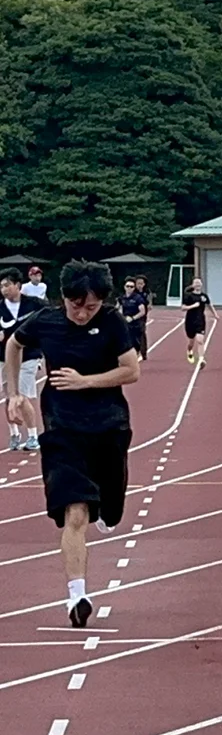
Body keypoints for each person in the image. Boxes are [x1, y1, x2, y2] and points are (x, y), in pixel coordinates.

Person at [5, 260, 139, 628]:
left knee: (110, 511)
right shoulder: (46, 321)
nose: (82, 314)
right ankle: (76, 595)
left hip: (110, 425)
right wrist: (14, 394)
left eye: (90, 307)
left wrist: (86, 381)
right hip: (62, 429)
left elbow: (132, 370)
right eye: (75, 305)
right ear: (63, 297)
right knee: (75, 513)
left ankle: (109, 512)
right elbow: (13, 345)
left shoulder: (112, 322)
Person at [1, 268, 44, 451]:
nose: (3, 289)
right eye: (1, 286)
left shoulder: (35, 305)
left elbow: (48, 322)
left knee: (23, 395)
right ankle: (14, 433)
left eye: (7, 285)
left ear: (17, 285)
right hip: (3, 357)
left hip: (29, 356)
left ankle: (33, 435)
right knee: (9, 395)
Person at [181, 278, 216, 367]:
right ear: (193, 285)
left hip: (200, 320)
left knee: (200, 340)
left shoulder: (204, 296)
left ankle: (201, 359)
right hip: (190, 321)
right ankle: (189, 350)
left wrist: (215, 314)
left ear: (201, 284)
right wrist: (193, 306)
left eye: (199, 283)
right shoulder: (189, 296)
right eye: (196, 283)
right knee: (191, 342)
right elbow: (183, 308)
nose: (198, 284)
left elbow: (209, 305)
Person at [118, 279, 148, 365]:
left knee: (135, 341)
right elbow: (118, 308)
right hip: (125, 323)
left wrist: (133, 318)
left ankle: (138, 355)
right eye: (127, 286)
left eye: (131, 287)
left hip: (135, 323)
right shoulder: (122, 298)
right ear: (124, 287)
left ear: (134, 288)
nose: (129, 288)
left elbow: (143, 311)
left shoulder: (138, 298)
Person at [133, 275, 151, 361]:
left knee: (142, 332)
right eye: (138, 283)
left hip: (142, 316)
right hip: (132, 315)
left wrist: (149, 305)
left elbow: (149, 302)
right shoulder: (133, 293)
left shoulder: (146, 293)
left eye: (141, 283)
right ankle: (135, 350)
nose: (139, 285)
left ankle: (143, 352)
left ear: (144, 284)